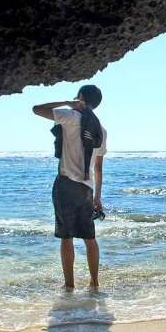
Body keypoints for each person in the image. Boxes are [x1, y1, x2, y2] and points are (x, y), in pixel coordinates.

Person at [32, 85, 107, 291]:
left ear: (81, 98)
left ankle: (69, 285)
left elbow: (37, 109)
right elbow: (98, 168)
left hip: (65, 184)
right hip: (86, 188)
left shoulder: (70, 116)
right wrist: (97, 197)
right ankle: (94, 283)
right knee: (90, 237)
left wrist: (67, 103)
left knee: (66, 237)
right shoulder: (101, 130)